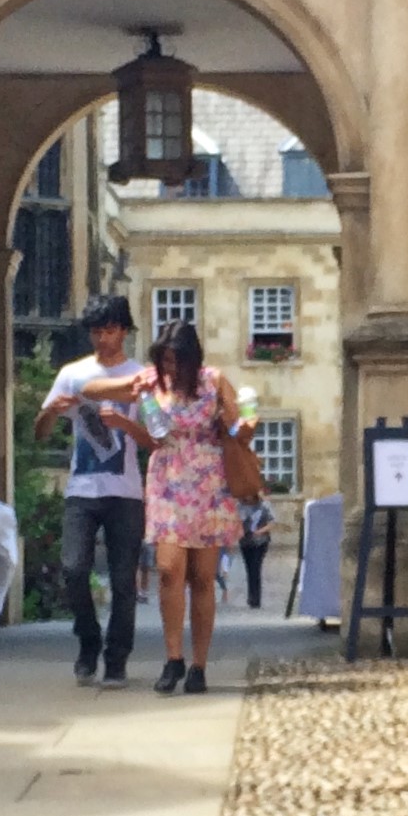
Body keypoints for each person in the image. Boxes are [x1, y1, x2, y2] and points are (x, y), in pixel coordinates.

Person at [92, 320, 248, 694]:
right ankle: (173, 657)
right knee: (167, 569)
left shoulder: (214, 381)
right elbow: (93, 390)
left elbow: (242, 426)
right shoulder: (152, 384)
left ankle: (199, 665)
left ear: (192, 358)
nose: (171, 368)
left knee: (203, 579)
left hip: (210, 484)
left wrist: (237, 419)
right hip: (167, 482)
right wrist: (123, 417)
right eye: (165, 360)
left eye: (177, 360)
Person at [33, 294, 148, 690]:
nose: (103, 339)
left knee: (122, 581)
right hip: (82, 487)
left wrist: (126, 423)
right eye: (97, 332)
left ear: (124, 331)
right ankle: (88, 640)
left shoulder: (140, 375)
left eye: (110, 330)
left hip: (127, 490)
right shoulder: (72, 373)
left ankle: (117, 658)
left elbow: (155, 436)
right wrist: (51, 411)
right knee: (73, 567)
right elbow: (40, 432)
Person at [234, 498, 277, 608]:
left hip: (260, 541)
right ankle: (251, 596)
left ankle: (255, 598)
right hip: (245, 541)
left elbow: (272, 522)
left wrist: (260, 531)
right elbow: (235, 521)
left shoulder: (264, 505)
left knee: (255, 567)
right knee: (249, 569)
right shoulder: (240, 505)